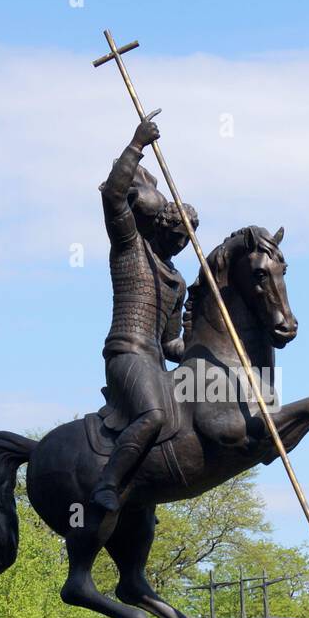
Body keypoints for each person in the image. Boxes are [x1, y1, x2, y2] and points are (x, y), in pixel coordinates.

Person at [92, 114, 199, 511]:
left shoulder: (176, 279)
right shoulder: (128, 245)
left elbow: (170, 342)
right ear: (158, 228)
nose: (180, 245)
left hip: (155, 361)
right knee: (153, 415)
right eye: (176, 237)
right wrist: (137, 144)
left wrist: (194, 347)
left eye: (185, 241)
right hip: (126, 354)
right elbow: (112, 197)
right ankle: (107, 483)